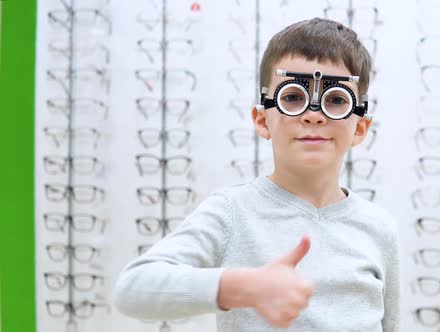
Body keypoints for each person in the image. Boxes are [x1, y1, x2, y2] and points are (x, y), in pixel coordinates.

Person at [113, 17, 399, 332]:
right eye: (293, 97)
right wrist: (244, 286)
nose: (313, 115)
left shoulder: (379, 228)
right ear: (263, 120)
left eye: (336, 100)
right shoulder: (231, 213)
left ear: (359, 127)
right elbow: (132, 289)